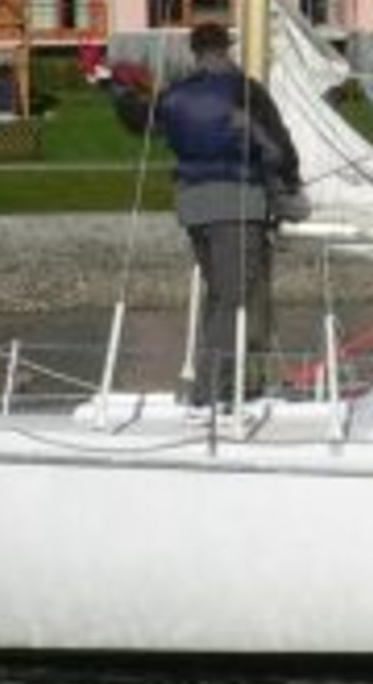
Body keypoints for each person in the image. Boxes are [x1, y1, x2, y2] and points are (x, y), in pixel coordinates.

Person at [93, 21, 305, 405]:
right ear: (227, 47)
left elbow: (141, 121)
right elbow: (279, 146)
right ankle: (212, 392)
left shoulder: (177, 95)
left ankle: (229, 384)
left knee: (220, 296)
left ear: (195, 51)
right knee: (234, 299)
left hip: (193, 209)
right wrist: (289, 190)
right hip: (239, 205)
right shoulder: (245, 90)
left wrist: (118, 92)